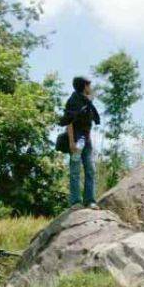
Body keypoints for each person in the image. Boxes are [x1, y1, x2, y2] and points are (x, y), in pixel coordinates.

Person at [60, 76, 100, 208]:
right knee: (75, 170)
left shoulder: (85, 101)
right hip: (76, 139)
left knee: (90, 170)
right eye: (89, 85)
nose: (91, 88)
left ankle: (90, 201)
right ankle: (76, 202)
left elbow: (91, 98)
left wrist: (90, 96)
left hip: (86, 139)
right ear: (84, 86)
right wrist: (71, 142)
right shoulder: (73, 100)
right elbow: (69, 122)